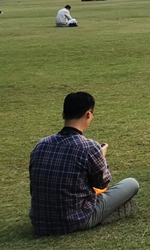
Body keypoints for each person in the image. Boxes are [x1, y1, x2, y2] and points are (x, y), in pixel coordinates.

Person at [29, 92, 141, 235]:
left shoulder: (41, 144)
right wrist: (101, 157)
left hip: (40, 221)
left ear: (63, 114)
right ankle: (111, 213)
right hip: (74, 220)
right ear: (88, 114)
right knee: (131, 184)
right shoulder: (88, 147)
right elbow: (102, 183)